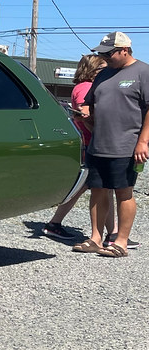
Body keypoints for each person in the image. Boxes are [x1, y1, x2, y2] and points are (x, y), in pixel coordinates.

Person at [72, 31, 149, 257]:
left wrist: (143, 142)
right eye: (102, 53)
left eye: (109, 53)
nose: (104, 57)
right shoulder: (103, 74)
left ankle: (120, 242)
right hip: (99, 144)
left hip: (127, 145)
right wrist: (84, 115)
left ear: (124, 50)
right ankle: (95, 238)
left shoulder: (143, 72)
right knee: (97, 191)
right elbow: (91, 105)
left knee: (123, 192)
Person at [44, 54, 117, 240]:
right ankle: (112, 234)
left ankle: (112, 233)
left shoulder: (82, 87)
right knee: (99, 187)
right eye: (102, 68)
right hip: (91, 141)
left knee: (94, 187)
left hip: (90, 142)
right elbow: (87, 114)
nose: (106, 70)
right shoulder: (86, 88)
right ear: (92, 69)